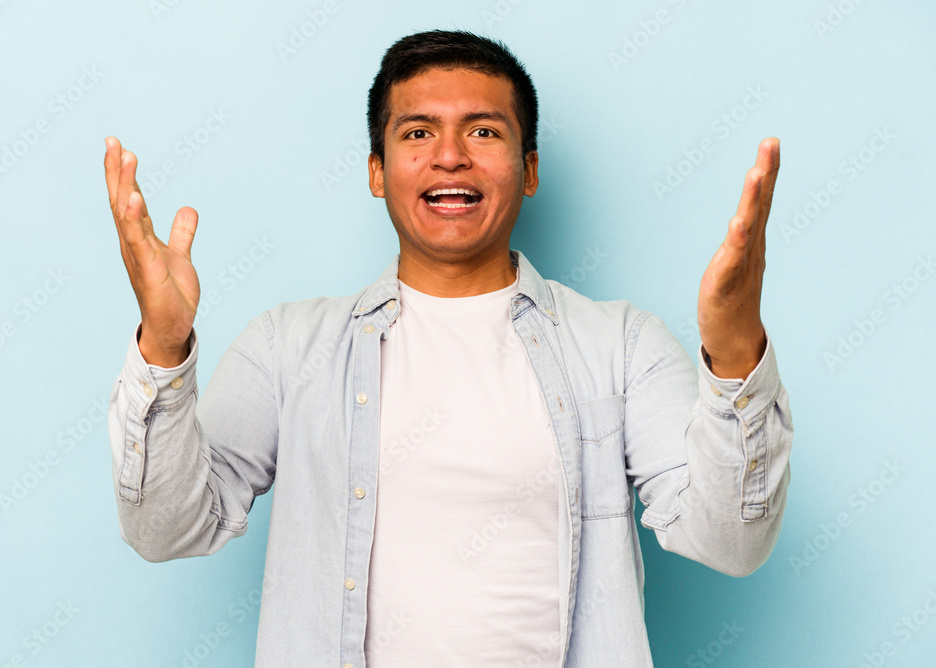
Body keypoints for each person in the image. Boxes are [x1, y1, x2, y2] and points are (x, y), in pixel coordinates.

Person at [104, 29, 791, 668]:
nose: (450, 155)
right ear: (378, 171)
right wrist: (165, 348)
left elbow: (730, 541)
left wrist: (734, 353)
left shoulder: (620, 345)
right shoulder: (288, 346)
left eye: (484, 130)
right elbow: (166, 531)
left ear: (529, 170)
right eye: (418, 131)